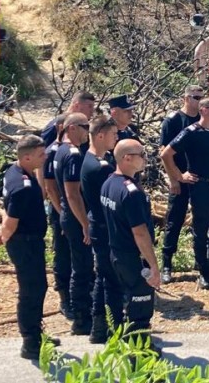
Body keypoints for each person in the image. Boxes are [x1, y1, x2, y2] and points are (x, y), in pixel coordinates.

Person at [0, 135, 61, 359]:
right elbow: (12, 221)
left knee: (37, 287)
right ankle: (30, 342)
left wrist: (4, 231)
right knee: (32, 291)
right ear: (27, 157)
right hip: (25, 243)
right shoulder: (23, 187)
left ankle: (36, 334)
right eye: (41, 154)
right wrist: (3, 235)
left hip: (27, 240)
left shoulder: (15, 172)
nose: (46, 156)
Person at [161, 97, 209, 288]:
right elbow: (166, 154)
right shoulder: (191, 132)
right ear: (204, 110)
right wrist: (179, 176)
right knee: (201, 230)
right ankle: (203, 271)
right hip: (201, 187)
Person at [101, 139, 161, 353]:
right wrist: (153, 266)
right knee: (140, 305)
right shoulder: (131, 192)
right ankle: (140, 353)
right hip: (133, 257)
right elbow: (140, 232)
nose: (145, 158)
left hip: (117, 253)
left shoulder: (109, 183)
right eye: (141, 154)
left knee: (128, 301)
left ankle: (124, 342)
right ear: (127, 158)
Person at [80, 115, 122, 343]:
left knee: (103, 278)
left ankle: (98, 328)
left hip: (97, 222)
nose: (117, 137)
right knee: (112, 280)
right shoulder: (100, 167)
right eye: (113, 134)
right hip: (105, 227)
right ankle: (113, 327)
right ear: (100, 135)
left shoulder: (91, 159)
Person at [53, 112, 94, 334]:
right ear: (70, 128)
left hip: (70, 214)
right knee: (82, 267)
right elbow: (72, 194)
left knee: (81, 264)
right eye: (84, 126)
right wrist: (85, 223)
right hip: (75, 215)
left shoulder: (61, 151)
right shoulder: (73, 154)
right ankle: (81, 318)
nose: (87, 130)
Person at [158, 85, 204, 284]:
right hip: (180, 179)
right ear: (186, 98)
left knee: (201, 222)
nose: (199, 101)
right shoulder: (174, 120)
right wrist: (174, 177)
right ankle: (167, 264)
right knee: (174, 221)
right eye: (195, 97)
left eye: (202, 98)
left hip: (200, 180)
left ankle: (200, 261)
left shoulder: (204, 120)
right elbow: (164, 151)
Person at [41, 114, 72, 319]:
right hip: (61, 210)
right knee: (62, 254)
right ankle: (64, 298)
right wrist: (63, 214)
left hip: (75, 212)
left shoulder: (73, 149)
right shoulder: (52, 150)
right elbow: (50, 187)